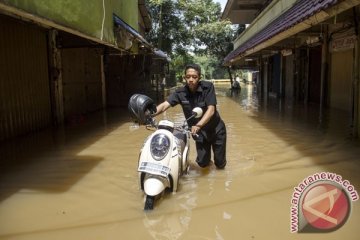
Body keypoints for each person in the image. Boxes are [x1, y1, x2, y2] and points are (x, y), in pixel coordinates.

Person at [153, 63, 227, 169]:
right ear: (184, 78)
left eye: (194, 77)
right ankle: (209, 166)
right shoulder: (180, 93)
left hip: (216, 130)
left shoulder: (208, 87)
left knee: (220, 164)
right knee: (202, 164)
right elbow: (165, 105)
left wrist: (198, 125)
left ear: (199, 77)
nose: (191, 79)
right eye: (188, 77)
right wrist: (150, 113)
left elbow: (211, 110)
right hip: (199, 133)